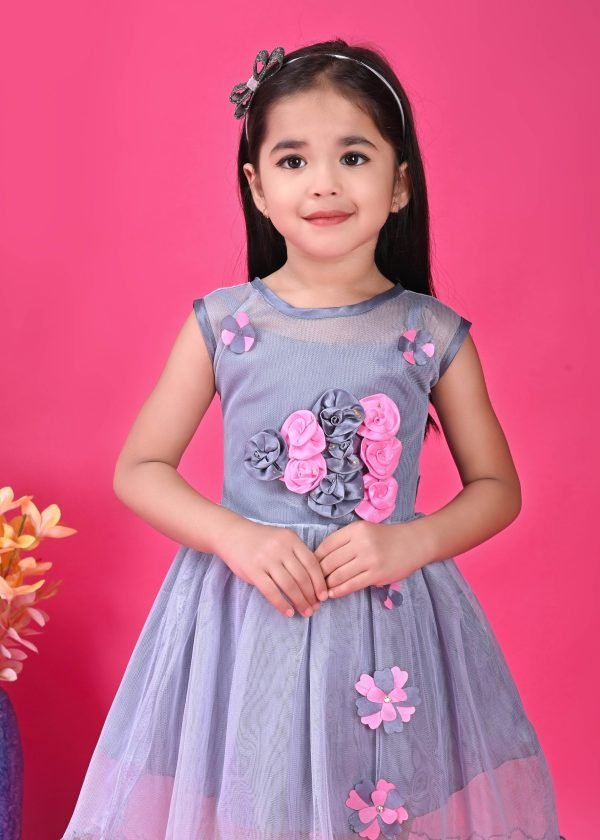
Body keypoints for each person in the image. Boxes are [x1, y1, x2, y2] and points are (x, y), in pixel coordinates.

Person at [62, 39, 566, 840]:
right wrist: (236, 537)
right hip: (250, 615)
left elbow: (498, 488)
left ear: (400, 184)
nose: (325, 182)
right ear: (257, 188)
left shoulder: (430, 333)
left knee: (381, 806)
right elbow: (141, 467)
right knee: (261, 805)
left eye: (354, 157)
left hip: (386, 622)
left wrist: (414, 540)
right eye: (294, 161)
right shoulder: (226, 325)